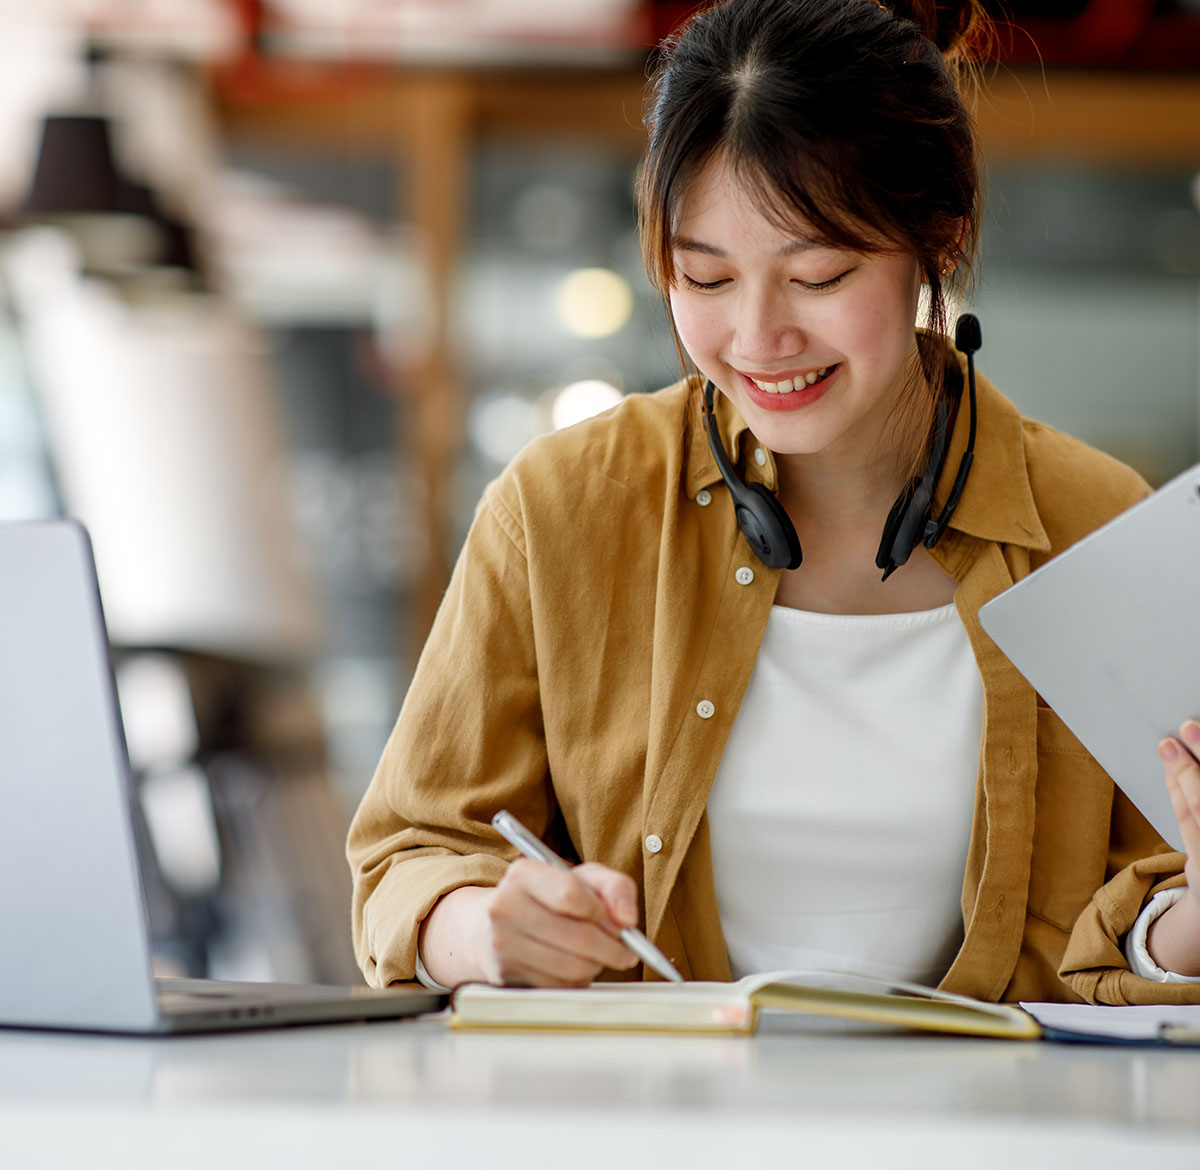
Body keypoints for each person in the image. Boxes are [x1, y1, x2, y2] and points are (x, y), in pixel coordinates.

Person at [347, 0, 1200, 1003]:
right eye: (704, 279)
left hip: (1001, 1147)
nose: (758, 338)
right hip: (648, 1138)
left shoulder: (1096, 525)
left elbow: (1151, 906)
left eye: (818, 275)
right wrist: (477, 929)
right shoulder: (562, 509)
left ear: (939, 238)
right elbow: (408, 854)